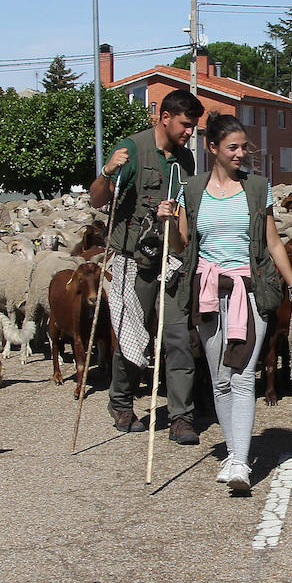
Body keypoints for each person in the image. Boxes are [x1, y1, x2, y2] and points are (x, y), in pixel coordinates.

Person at [169, 114, 292, 492]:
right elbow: (182, 244)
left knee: (244, 375)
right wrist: (168, 219)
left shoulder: (257, 188)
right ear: (213, 148)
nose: (241, 154)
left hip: (250, 288)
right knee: (220, 379)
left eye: (244, 147)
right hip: (209, 290)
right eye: (233, 147)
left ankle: (242, 463)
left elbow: (274, 243)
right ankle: (233, 453)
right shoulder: (192, 190)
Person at [89, 90, 202, 442]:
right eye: (185, 124)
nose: (189, 133)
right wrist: (107, 172)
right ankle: (121, 401)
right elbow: (97, 199)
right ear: (164, 117)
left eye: (194, 126)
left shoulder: (185, 161)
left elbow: (184, 209)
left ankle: (182, 416)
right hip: (133, 260)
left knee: (178, 337)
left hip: (170, 257)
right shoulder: (133, 150)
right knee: (133, 336)